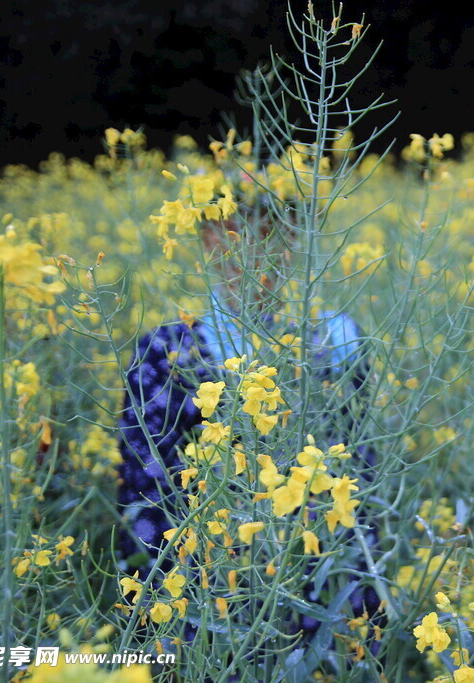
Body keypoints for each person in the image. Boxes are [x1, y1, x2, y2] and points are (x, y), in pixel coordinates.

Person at [115, 207, 381, 647]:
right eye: (231, 233)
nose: (251, 251)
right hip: (211, 574)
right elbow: (146, 489)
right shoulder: (165, 350)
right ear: (205, 241)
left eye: (270, 231)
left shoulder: (339, 338)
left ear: (293, 240)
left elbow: (358, 463)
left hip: (319, 562)